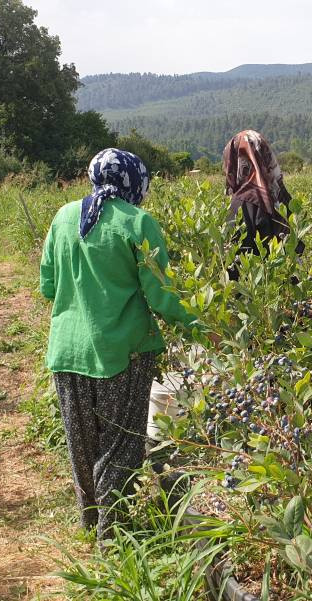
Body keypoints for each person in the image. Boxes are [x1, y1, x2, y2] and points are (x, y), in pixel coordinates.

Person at [39, 148, 201, 539]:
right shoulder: (137, 222)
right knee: (121, 442)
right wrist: (203, 327)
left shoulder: (63, 217)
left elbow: (47, 284)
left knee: (82, 441)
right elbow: (164, 296)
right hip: (121, 352)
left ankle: (90, 520)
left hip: (67, 350)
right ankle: (113, 537)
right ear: (135, 182)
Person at [222, 130, 303, 280]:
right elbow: (297, 245)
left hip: (257, 294)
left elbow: (233, 263)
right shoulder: (281, 195)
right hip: (290, 288)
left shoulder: (240, 205)